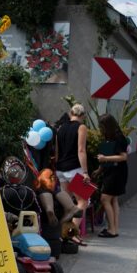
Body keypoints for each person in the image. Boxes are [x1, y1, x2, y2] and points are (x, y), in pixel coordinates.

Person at [55, 103, 89, 248]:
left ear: (70, 113)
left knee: (68, 204)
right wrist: (86, 172)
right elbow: (81, 150)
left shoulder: (61, 128)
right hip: (74, 169)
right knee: (83, 201)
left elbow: (57, 151)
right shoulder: (81, 127)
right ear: (83, 116)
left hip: (61, 169)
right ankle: (71, 233)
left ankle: (63, 234)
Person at [94, 114, 128, 238]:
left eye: (102, 126)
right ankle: (114, 228)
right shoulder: (109, 136)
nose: (100, 128)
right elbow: (106, 154)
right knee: (113, 199)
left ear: (108, 125)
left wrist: (105, 158)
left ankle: (112, 230)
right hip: (110, 171)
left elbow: (123, 157)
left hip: (117, 173)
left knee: (105, 199)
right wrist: (99, 170)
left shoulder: (119, 138)